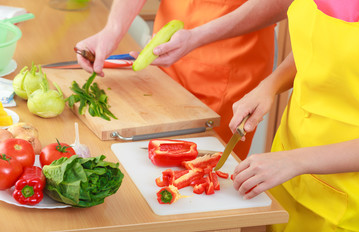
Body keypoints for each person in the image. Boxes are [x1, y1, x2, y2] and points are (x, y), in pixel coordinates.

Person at [75, 0, 290, 160]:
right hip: (164, 56)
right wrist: (112, 30)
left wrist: (197, 36)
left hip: (228, 66)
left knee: (204, 176)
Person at [230, 0, 359, 232]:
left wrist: (295, 162)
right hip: (286, 173)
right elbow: (316, 48)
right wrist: (268, 86)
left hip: (345, 207)